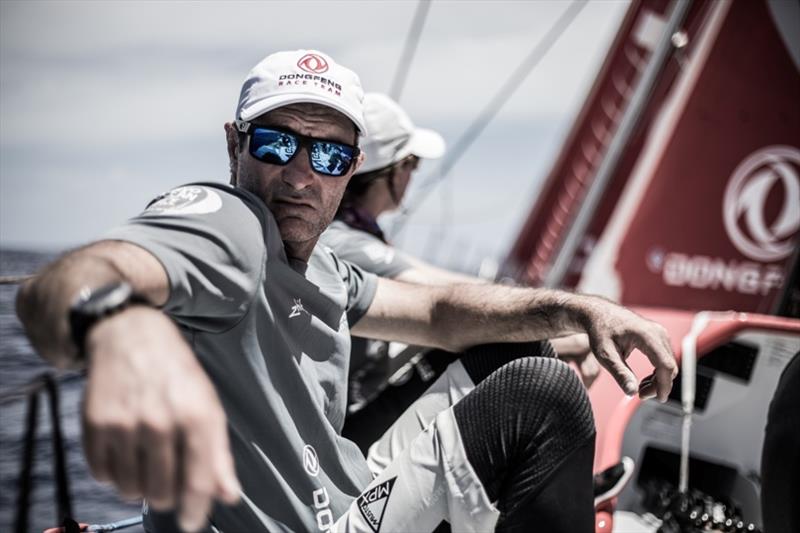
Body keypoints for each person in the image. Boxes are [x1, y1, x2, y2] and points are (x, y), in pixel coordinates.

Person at [16, 49, 677, 533]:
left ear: (351, 169)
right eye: (278, 143)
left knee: (509, 347)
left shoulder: (321, 263)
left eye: (328, 156)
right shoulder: (232, 225)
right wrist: (115, 323)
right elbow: (69, 282)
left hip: (344, 492)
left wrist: (581, 307)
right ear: (234, 145)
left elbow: (438, 312)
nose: (303, 176)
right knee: (545, 399)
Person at [321, 93, 599, 450]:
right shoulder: (348, 244)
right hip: (344, 433)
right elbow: (453, 294)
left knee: (479, 333)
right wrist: (569, 330)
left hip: (351, 413)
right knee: (483, 335)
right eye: (412, 164)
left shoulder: (350, 236)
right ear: (390, 171)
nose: (413, 175)